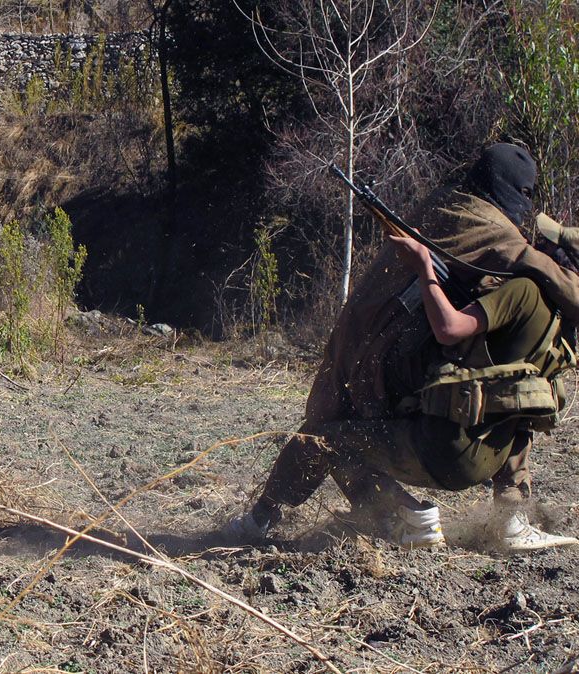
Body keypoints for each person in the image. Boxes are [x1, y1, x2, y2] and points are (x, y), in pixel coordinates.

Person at [227, 143, 579, 552]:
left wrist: (427, 271)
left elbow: (448, 328)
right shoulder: (547, 313)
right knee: (521, 382)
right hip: (484, 442)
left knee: (326, 439)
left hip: (434, 431)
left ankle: (290, 516)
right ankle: (511, 516)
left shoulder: (493, 247)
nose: (545, 246)